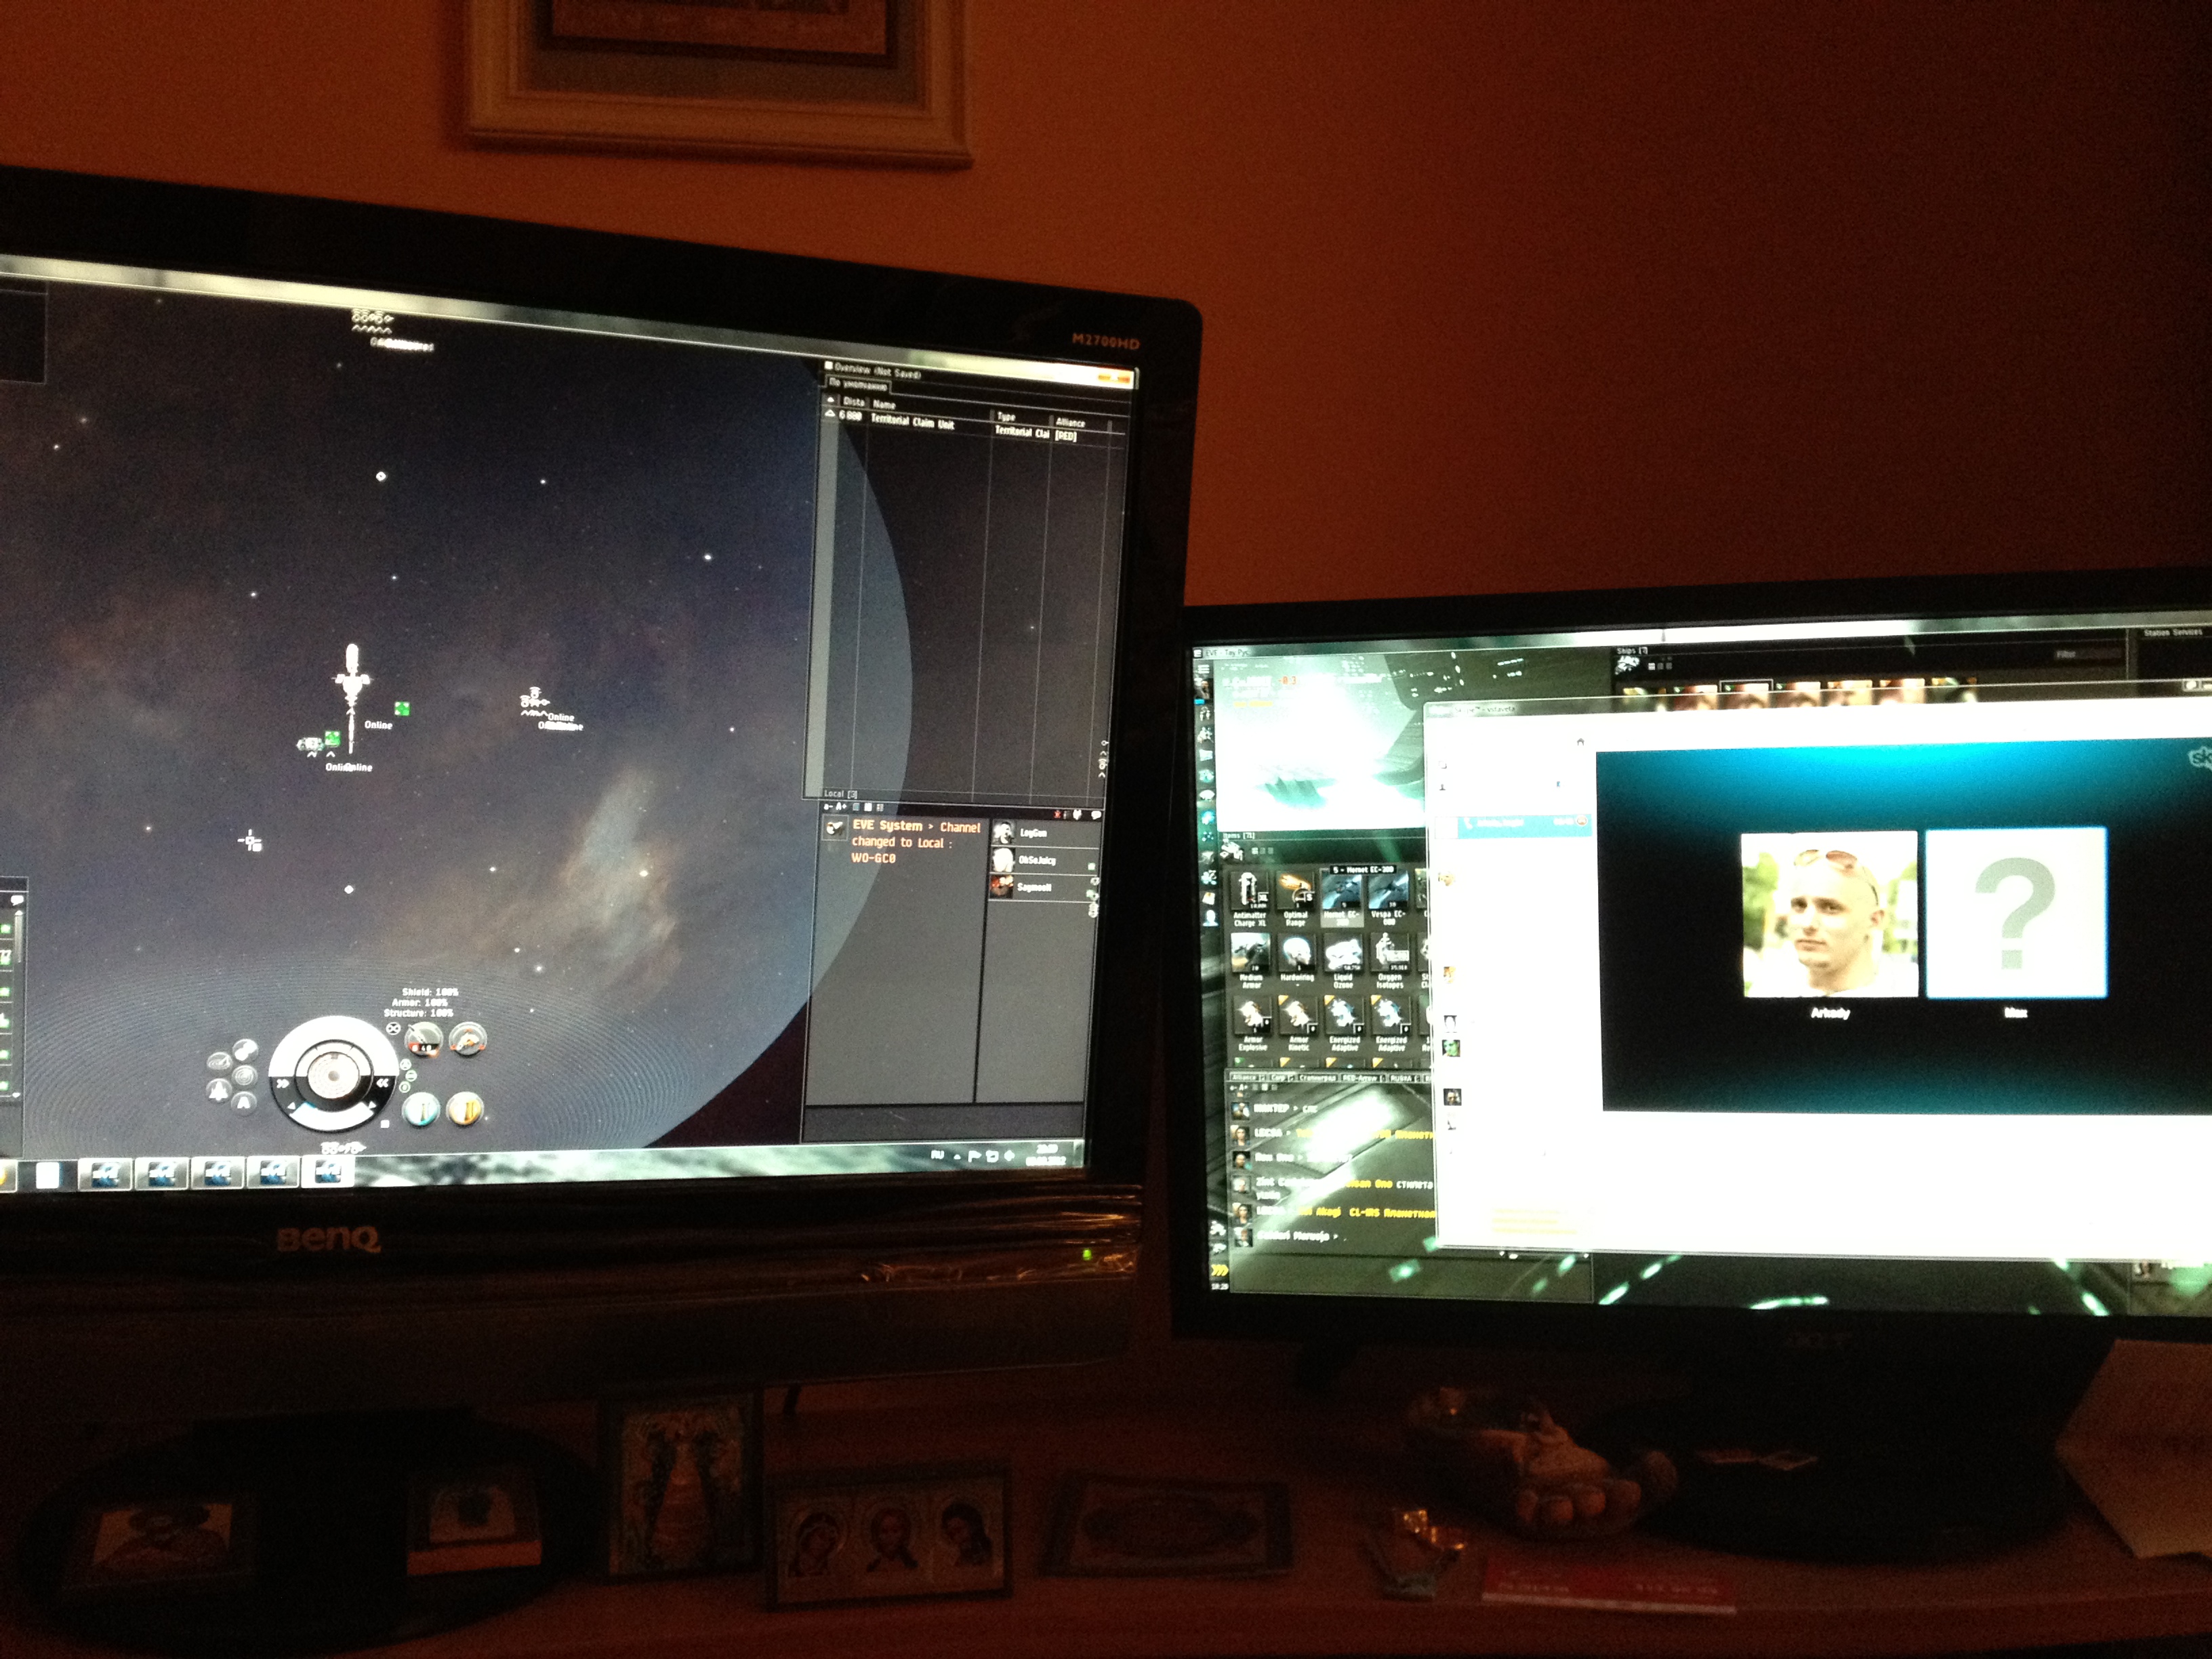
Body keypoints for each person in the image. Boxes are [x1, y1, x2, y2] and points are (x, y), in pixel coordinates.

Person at [1752, 846, 1918, 997]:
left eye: (1831, 908)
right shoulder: (1768, 988)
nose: (1808, 924)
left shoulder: (1909, 987)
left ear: (1874, 920)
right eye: (1800, 906)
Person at [939, 1500, 995, 1568]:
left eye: (959, 1530)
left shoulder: (990, 1553)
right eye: (952, 1534)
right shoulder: (959, 1560)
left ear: (973, 1525)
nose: (957, 1537)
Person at [865, 1504, 918, 1572]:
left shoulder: (911, 1567)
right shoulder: (873, 1568)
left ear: (904, 1534)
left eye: (895, 1531)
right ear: (877, 1536)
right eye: (884, 1531)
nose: (890, 1536)